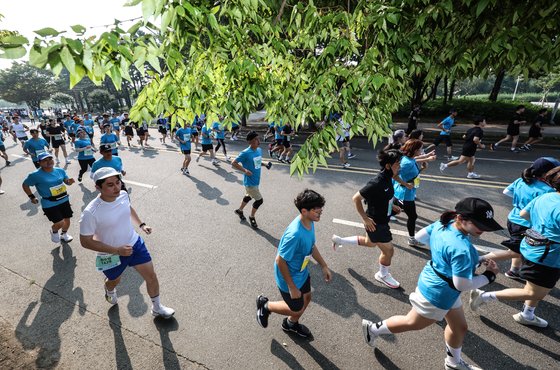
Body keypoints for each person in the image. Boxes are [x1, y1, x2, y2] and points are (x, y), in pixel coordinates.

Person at [362, 198, 502, 370]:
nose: (484, 229)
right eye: (479, 224)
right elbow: (462, 285)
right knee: (411, 322)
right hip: (440, 293)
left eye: (486, 224)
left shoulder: (445, 223)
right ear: (461, 218)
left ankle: (453, 363)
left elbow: (420, 237)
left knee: (459, 327)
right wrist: (490, 276)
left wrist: (445, 257)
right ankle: (373, 329)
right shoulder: (462, 248)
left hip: (436, 280)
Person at [470, 167, 560, 328]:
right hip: (547, 256)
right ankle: (483, 296)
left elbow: (524, 214)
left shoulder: (548, 196)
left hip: (532, 246)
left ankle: (527, 314)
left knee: (535, 286)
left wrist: (544, 226)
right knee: (534, 292)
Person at [79, 167, 175, 319]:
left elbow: (128, 208)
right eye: (110, 185)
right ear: (98, 187)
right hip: (111, 254)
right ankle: (109, 290)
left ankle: (157, 307)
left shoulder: (123, 194)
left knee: (151, 276)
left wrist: (141, 224)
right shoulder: (91, 212)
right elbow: (85, 241)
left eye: (118, 182)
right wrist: (117, 250)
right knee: (114, 280)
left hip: (134, 244)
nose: (117, 187)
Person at [256, 189, 331, 338]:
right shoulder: (295, 234)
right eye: (317, 211)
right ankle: (265, 306)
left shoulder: (309, 222)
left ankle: (290, 324)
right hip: (288, 277)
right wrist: (292, 287)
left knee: (307, 297)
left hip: (301, 272)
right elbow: (280, 260)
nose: (320, 212)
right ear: (304, 211)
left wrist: (323, 265)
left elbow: (311, 246)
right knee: (296, 308)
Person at [332, 150, 404, 288]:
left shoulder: (389, 177)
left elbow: (384, 196)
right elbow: (356, 198)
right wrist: (365, 219)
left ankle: (340, 240)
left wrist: (393, 206)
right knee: (388, 250)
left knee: (370, 243)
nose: (400, 166)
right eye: (397, 163)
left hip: (382, 219)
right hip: (376, 223)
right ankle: (382, 275)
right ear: (388, 166)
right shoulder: (376, 182)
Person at [483, 157, 559, 282]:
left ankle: (514, 270)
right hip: (525, 223)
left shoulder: (522, 180)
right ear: (547, 173)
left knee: (516, 247)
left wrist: (521, 200)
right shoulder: (548, 190)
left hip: (513, 218)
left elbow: (506, 191)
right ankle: (480, 259)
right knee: (516, 250)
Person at [22, 152, 76, 243]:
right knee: (59, 222)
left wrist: (70, 181)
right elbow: (25, 185)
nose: (49, 161)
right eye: (45, 160)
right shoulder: (35, 175)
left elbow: (67, 182)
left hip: (64, 200)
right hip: (49, 203)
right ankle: (54, 231)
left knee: (67, 219)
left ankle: (64, 234)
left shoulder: (60, 170)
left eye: (50, 159)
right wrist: (31, 197)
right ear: (39, 162)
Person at [393, 139, 436, 246]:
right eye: (421, 148)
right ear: (415, 150)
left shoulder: (410, 158)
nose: (422, 150)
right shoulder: (406, 163)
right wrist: (406, 184)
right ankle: (412, 239)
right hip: (405, 194)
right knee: (413, 217)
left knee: (393, 211)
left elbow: (413, 173)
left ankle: (378, 220)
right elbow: (393, 175)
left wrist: (422, 169)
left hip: (405, 192)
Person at [232, 131, 269, 228]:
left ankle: (239, 211)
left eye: (258, 138)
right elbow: (234, 163)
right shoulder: (245, 153)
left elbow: (257, 162)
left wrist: (264, 164)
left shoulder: (259, 150)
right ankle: (252, 216)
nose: (258, 141)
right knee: (259, 201)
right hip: (250, 182)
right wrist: (245, 170)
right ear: (250, 142)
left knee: (248, 196)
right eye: (255, 140)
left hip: (256, 179)